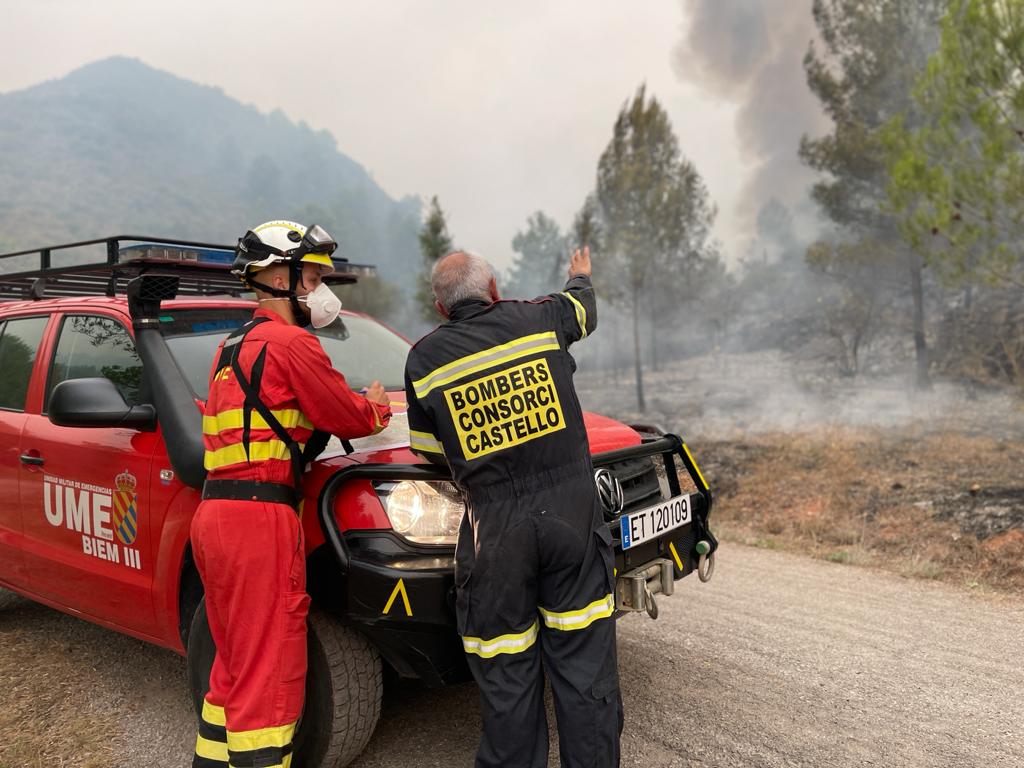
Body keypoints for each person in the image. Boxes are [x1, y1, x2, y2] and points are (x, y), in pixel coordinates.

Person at [404, 247, 621, 768]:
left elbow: (429, 454)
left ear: (440, 307)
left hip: (494, 534)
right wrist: (580, 275)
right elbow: (583, 309)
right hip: (571, 517)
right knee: (584, 662)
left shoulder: (424, 360)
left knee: (506, 670)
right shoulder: (539, 318)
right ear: (494, 288)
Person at [191, 220, 392, 768]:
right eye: (312, 275)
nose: (319, 288)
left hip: (214, 517)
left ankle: (211, 759)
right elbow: (345, 414)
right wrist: (376, 404)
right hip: (261, 520)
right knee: (272, 672)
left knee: (232, 665)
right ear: (280, 277)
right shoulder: (290, 342)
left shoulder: (230, 347)